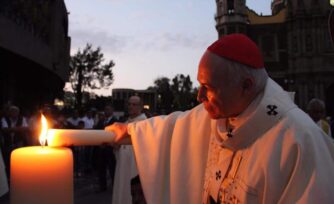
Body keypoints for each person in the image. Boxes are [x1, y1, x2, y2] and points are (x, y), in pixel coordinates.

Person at [106, 34, 334, 204]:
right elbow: (174, 126)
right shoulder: (219, 115)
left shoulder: (299, 141)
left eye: (208, 87)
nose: (199, 96)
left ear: (246, 85)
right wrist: (131, 131)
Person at [112, 96, 147, 204]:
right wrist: (116, 147)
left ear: (141, 107)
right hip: (123, 165)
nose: (131, 106)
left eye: (134, 104)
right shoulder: (125, 123)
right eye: (129, 104)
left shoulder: (146, 124)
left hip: (136, 167)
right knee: (123, 189)